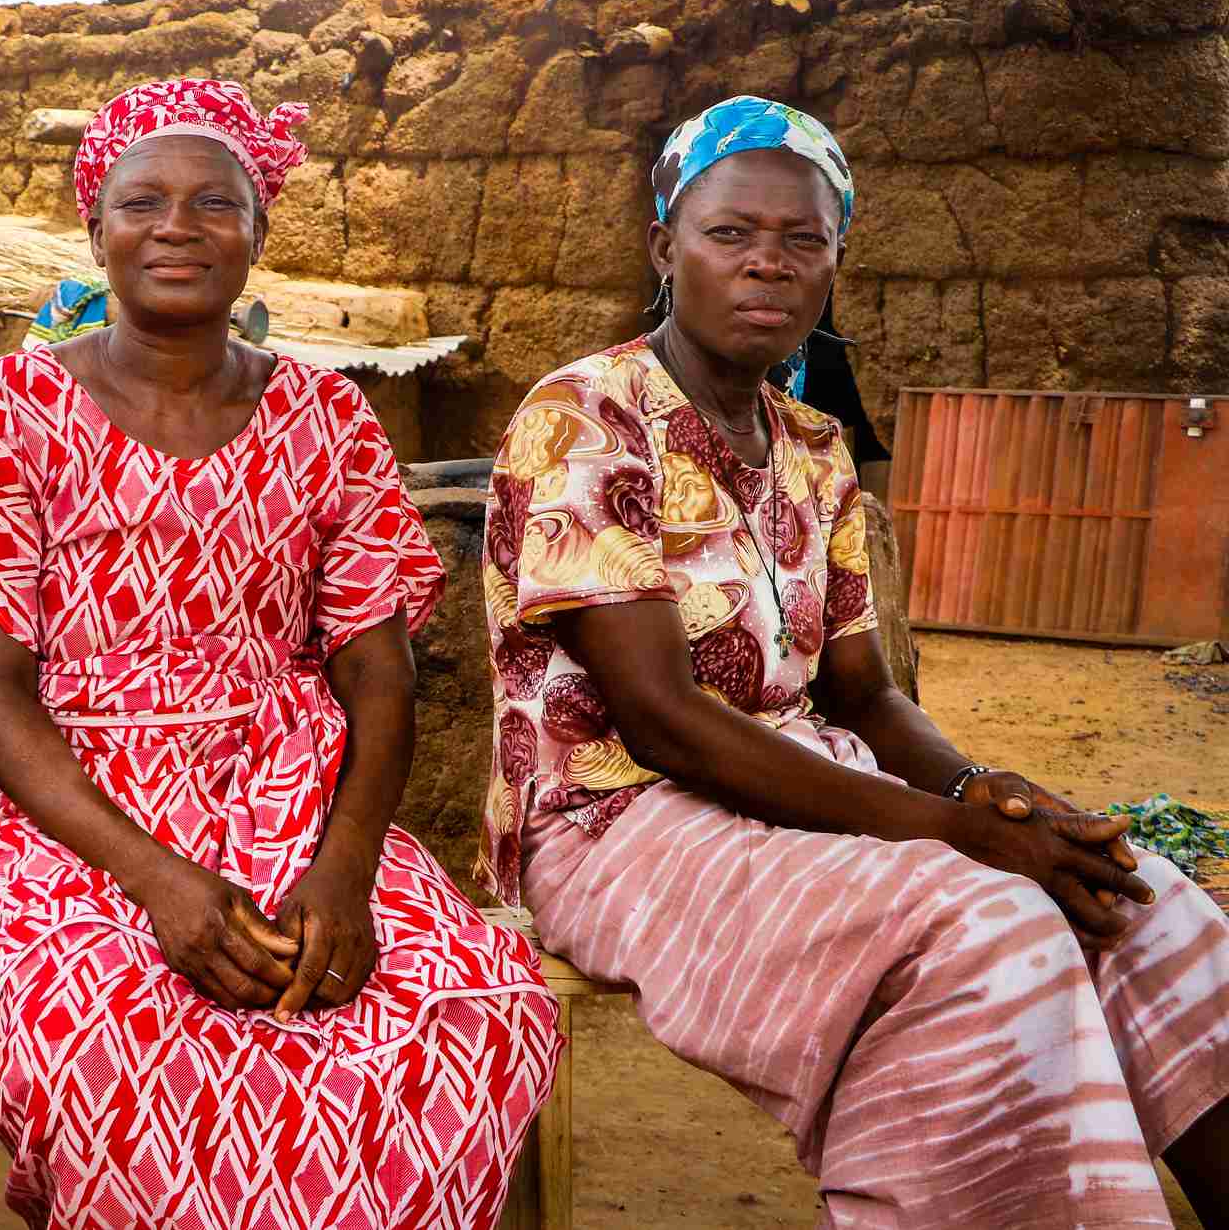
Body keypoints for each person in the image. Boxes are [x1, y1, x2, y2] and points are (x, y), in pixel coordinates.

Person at [481, 94, 1229, 1227]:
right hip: (614, 819)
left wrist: (990, 796)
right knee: (985, 923)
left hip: (806, 785)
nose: (764, 265)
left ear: (834, 261)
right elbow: (659, 721)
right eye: (728, 233)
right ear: (662, 249)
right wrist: (949, 834)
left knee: (1135, 900)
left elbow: (864, 692)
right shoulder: (585, 418)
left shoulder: (814, 448)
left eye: (800, 240)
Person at [0, 79, 561, 1229]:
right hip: (75, 824)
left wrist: (343, 872)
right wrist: (158, 881)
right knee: (110, 1051)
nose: (176, 226)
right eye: (142, 201)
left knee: (466, 1008)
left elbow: (376, 673)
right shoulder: (8, 411)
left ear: (257, 232)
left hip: (293, 797)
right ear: (95, 231)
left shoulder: (327, 419)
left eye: (213, 202)